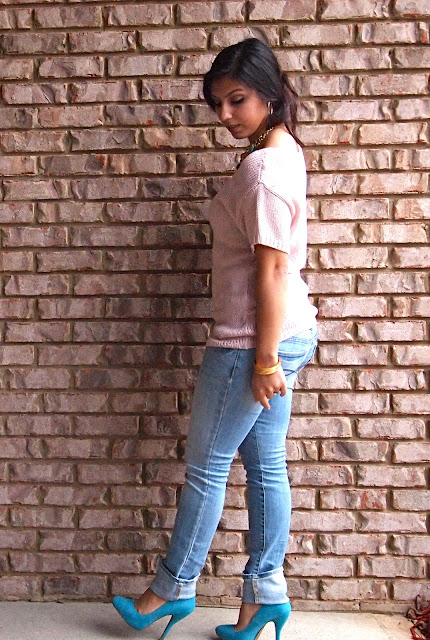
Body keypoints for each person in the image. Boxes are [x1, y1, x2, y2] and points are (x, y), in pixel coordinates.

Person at [112, 37, 318, 640]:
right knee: (266, 466)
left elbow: (272, 269)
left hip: (251, 342)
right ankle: (265, 598)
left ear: (270, 95)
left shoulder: (264, 168)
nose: (225, 115)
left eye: (237, 100)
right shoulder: (285, 151)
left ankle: (171, 589)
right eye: (217, 104)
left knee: (207, 467)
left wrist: (263, 360)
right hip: (285, 332)